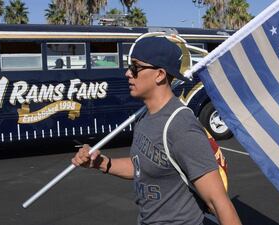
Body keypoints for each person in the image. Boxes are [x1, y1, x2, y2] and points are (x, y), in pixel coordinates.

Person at [72, 36, 242, 225]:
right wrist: (101, 163)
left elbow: (218, 201)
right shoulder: (144, 117)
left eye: (136, 67)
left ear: (160, 74)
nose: (128, 73)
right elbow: (143, 166)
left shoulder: (181, 126)